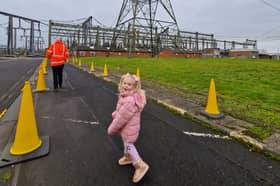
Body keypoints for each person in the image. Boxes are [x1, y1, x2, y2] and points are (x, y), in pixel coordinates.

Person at [107, 73, 149, 183]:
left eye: (129, 84)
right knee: (126, 142)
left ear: (135, 87)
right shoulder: (126, 95)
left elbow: (122, 118)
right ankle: (128, 157)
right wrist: (116, 113)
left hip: (129, 128)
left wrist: (111, 128)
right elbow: (121, 111)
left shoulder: (130, 100)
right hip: (129, 127)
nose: (126, 86)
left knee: (129, 144)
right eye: (124, 83)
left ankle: (140, 165)